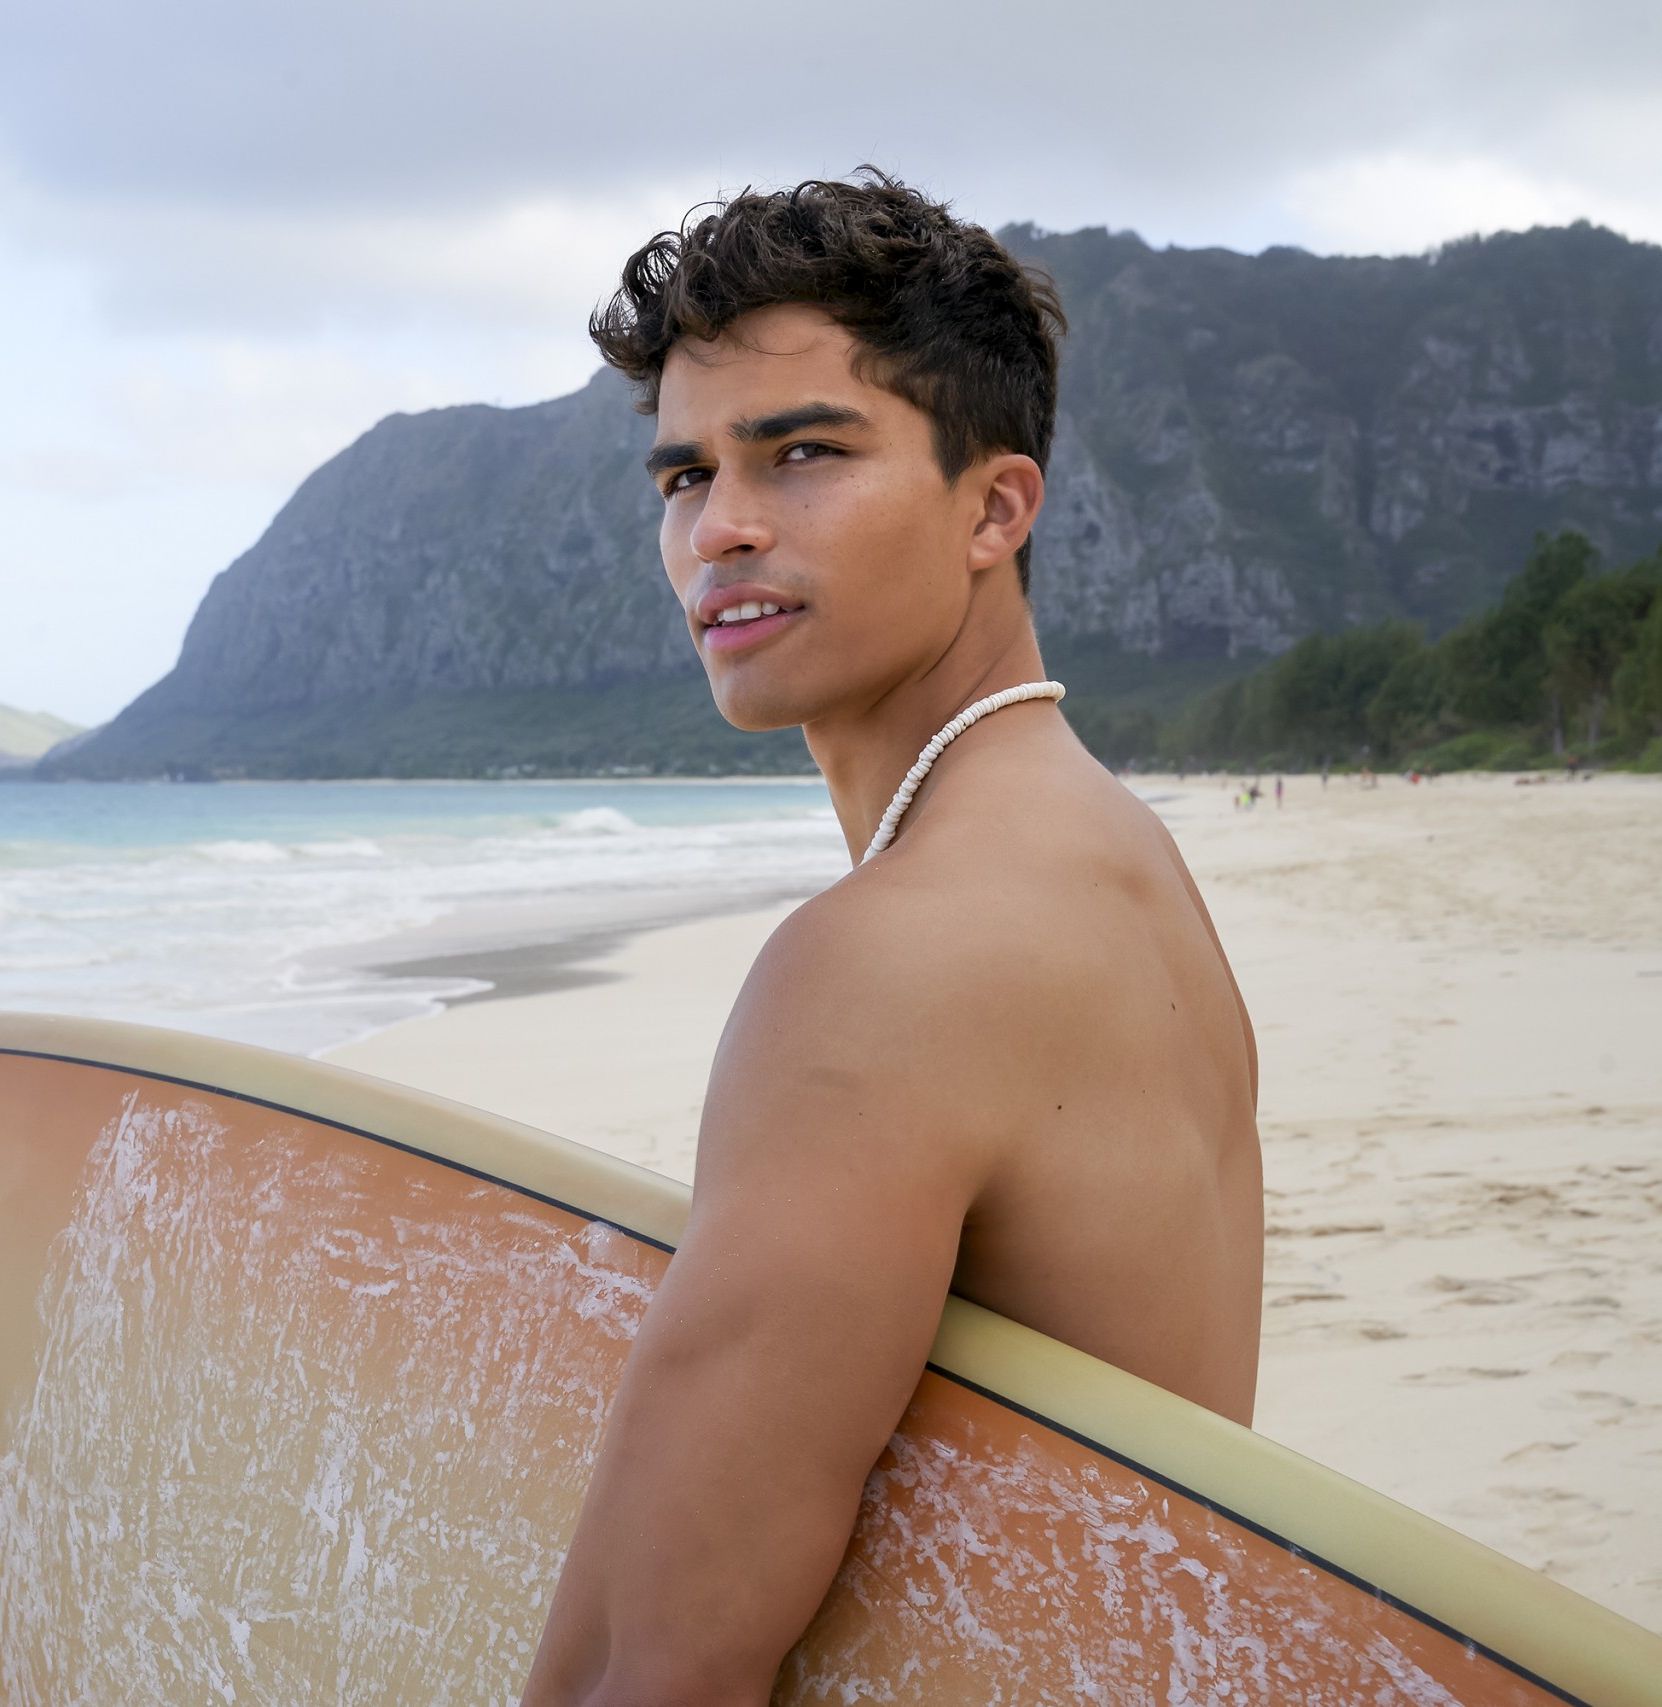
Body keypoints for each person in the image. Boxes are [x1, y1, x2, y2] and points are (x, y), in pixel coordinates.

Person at [521, 175, 1261, 1705]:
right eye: (685, 475)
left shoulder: (887, 967)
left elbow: (653, 1671)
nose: (720, 528)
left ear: (995, 509)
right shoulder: (1121, 863)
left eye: (804, 453)